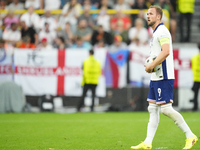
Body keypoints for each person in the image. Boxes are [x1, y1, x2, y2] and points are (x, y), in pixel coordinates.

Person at [130, 5, 198, 149]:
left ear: (159, 17)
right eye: (147, 14)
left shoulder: (162, 31)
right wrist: (152, 65)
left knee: (166, 109)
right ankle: (147, 143)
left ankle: (190, 135)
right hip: (156, 76)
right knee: (152, 109)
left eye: (151, 14)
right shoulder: (155, 32)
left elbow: (166, 51)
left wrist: (150, 65)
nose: (148, 16)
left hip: (164, 76)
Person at [190, 44, 200, 111]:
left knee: (195, 94)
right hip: (196, 78)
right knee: (195, 93)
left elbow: (192, 67)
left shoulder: (194, 58)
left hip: (196, 78)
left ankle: (195, 107)